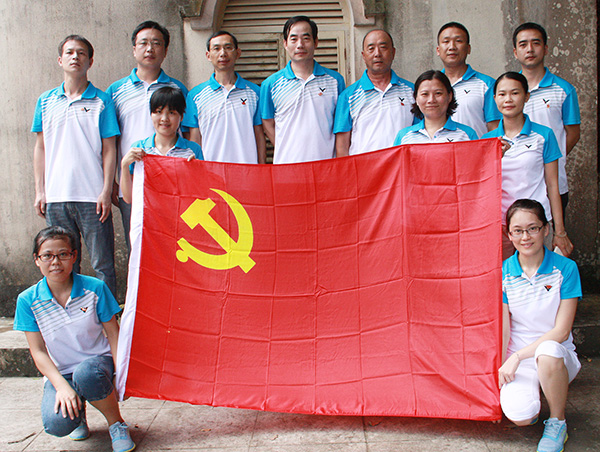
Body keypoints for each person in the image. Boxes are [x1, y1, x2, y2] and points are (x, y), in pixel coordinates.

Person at [13, 226, 135, 452]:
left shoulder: (95, 288)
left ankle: (116, 424)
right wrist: (61, 386)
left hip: (97, 365)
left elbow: (114, 334)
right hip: (61, 372)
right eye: (47, 255)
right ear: (37, 259)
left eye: (63, 254)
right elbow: (38, 351)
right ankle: (78, 415)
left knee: (87, 374)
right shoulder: (27, 300)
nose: (55, 262)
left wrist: (121, 375)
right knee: (56, 424)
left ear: (74, 256)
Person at [33, 35, 119, 297]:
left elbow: (109, 148)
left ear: (90, 61)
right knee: (64, 264)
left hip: (93, 197)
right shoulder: (45, 101)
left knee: (103, 264)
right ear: (60, 60)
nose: (75, 57)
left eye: (81, 53)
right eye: (69, 52)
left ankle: (108, 315)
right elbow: (40, 147)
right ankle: (70, 312)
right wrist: (40, 191)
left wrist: (106, 190)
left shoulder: (102, 101)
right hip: (56, 198)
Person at [499, 199, 581, 452]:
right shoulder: (503, 272)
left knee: (547, 352)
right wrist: (502, 365)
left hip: (557, 354)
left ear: (546, 229)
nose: (525, 237)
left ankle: (557, 422)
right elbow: (504, 328)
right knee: (521, 416)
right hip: (519, 360)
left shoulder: (565, 269)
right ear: (509, 234)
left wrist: (517, 356)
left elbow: (561, 331)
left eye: (532, 228)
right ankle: (539, 392)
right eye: (518, 231)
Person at [107, 21, 188, 253]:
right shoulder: (115, 91)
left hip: (171, 187)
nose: (150, 49)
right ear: (134, 49)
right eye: (143, 43)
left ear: (165, 50)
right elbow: (109, 141)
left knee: (175, 248)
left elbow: (187, 133)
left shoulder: (178, 89)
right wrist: (114, 180)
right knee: (138, 248)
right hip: (133, 183)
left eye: (156, 43)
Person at [482, 72, 572, 259]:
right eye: (502, 94)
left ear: (526, 96)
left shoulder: (544, 135)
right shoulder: (487, 140)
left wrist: (560, 231)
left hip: (536, 223)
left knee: (540, 273)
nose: (508, 99)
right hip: (500, 224)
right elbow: (481, 186)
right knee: (505, 275)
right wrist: (494, 158)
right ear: (495, 99)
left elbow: (552, 185)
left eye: (515, 93)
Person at [513, 22, 580, 222]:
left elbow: (573, 133)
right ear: (515, 52)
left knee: (551, 233)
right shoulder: (507, 91)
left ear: (546, 49)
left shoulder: (564, 89)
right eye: (523, 44)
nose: (530, 49)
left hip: (554, 183)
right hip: (517, 184)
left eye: (536, 43)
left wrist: (550, 159)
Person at [260, 15, 345, 163]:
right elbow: (267, 123)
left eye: (306, 38)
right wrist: (286, 147)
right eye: (293, 39)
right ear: (285, 44)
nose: (300, 45)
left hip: (326, 165)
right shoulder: (271, 84)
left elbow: (341, 124)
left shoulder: (335, 80)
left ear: (316, 42)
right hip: (287, 166)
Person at [183, 31, 266, 164]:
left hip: (247, 169)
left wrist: (261, 166)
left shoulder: (255, 92)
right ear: (208, 55)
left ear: (237, 53)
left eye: (228, 47)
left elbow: (259, 135)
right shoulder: (195, 95)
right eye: (216, 49)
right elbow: (195, 138)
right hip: (211, 171)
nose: (223, 53)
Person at [334, 29, 414, 156]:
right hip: (364, 167)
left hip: (402, 166)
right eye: (371, 49)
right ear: (363, 55)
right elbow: (342, 146)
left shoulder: (412, 92)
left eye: (383, 47)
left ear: (393, 52)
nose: (377, 54)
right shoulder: (348, 96)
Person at [120, 87, 203, 204]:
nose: (164, 119)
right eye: (159, 112)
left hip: (182, 213)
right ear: (151, 114)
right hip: (149, 214)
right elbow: (129, 198)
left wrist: (195, 171)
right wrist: (124, 165)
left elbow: (200, 193)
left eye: (171, 113)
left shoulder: (193, 150)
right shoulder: (139, 149)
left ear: (181, 116)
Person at [436, 22, 501, 137]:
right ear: (438, 50)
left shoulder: (487, 85)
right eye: (446, 41)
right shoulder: (431, 86)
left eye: (458, 41)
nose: (452, 47)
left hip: (475, 148)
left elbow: (494, 129)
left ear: (468, 48)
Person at [393, 70, 477, 145]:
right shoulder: (404, 137)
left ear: (450, 96)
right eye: (425, 94)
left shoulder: (467, 135)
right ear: (416, 99)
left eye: (438, 93)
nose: (431, 100)